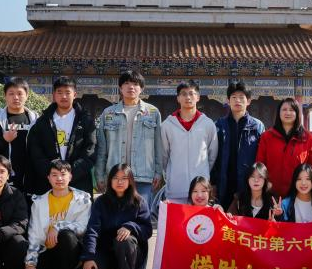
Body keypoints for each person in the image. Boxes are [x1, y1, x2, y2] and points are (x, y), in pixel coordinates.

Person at [21, 160, 92, 269]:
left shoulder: (82, 199)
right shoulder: (39, 202)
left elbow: (83, 227)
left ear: (70, 176)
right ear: (48, 178)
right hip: (49, 251)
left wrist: (58, 226)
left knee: (66, 236)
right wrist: (30, 264)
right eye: (54, 175)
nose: (59, 178)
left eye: (63, 174)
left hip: (73, 251)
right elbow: (34, 236)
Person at [94, 71, 164, 212]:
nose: (131, 87)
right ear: (120, 88)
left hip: (143, 175)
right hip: (115, 176)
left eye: (135, 84)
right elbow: (102, 148)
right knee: (115, 215)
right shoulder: (108, 113)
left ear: (141, 88)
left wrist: (158, 172)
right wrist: (100, 175)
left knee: (141, 214)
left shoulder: (153, 112)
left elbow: (158, 146)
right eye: (126, 83)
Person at [82, 164, 152, 269]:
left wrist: (130, 227)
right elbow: (92, 230)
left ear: (130, 181)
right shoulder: (100, 202)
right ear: (110, 180)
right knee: (86, 265)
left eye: (124, 178)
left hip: (131, 254)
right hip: (107, 253)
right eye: (115, 178)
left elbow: (147, 229)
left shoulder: (139, 201)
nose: (120, 182)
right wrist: (88, 257)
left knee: (123, 239)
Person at [29, 76, 98, 193]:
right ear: (54, 95)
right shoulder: (43, 121)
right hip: (49, 182)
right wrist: (52, 173)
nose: (64, 96)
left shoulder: (85, 120)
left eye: (67, 92)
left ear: (75, 94)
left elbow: (91, 149)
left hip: (79, 181)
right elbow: (36, 151)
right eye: (59, 92)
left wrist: (70, 173)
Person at [159, 81, 218, 205]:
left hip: (200, 192)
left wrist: (203, 172)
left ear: (198, 97)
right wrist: (170, 175)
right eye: (183, 94)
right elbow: (163, 156)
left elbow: (212, 155)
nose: (188, 97)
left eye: (191, 93)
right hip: (175, 188)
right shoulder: (167, 125)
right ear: (178, 98)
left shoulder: (208, 124)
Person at [212, 81, 265, 208]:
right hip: (224, 182)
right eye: (234, 97)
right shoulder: (218, 125)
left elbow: (262, 157)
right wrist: (213, 182)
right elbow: (212, 156)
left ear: (249, 101)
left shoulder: (257, 126)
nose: (238, 100)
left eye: (242, 97)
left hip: (248, 183)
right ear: (228, 100)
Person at [0, 78, 37, 191]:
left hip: (30, 179)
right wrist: (3, 140)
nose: (16, 97)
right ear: (5, 96)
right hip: (2, 180)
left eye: (20, 93)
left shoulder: (35, 120)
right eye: (11, 94)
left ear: (27, 96)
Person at [255, 97, 312, 201]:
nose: (287, 113)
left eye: (291, 110)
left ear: (297, 113)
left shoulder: (308, 138)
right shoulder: (266, 136)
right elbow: (260, 165)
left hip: (300, 193)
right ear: (278, 113)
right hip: (271, 193)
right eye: (284, 109)